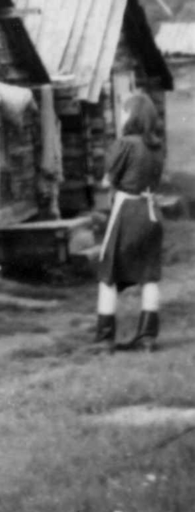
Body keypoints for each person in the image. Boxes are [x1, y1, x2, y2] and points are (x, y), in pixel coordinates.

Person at [93, 92, 166, 352]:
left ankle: (104, 339)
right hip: (152, 212)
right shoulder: (157, 146)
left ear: (132, 115)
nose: (122, 115)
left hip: (128, 210)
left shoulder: (125, 143)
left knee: (108, 274)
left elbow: (108, 181)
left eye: (124, 111)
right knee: (149, 276)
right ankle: (148, 337)